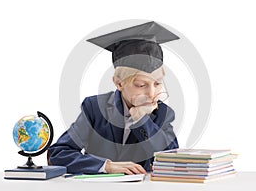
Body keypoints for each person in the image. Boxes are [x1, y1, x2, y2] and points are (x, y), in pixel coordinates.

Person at [48, 21, 180, 175]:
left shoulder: (162, 113)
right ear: (119, 83)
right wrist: (106, 166)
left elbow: (172, 162)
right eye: (141, 85)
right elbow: (58, 154)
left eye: (157, 83)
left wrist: (142, 121)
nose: (152, 94)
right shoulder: (95, 108)